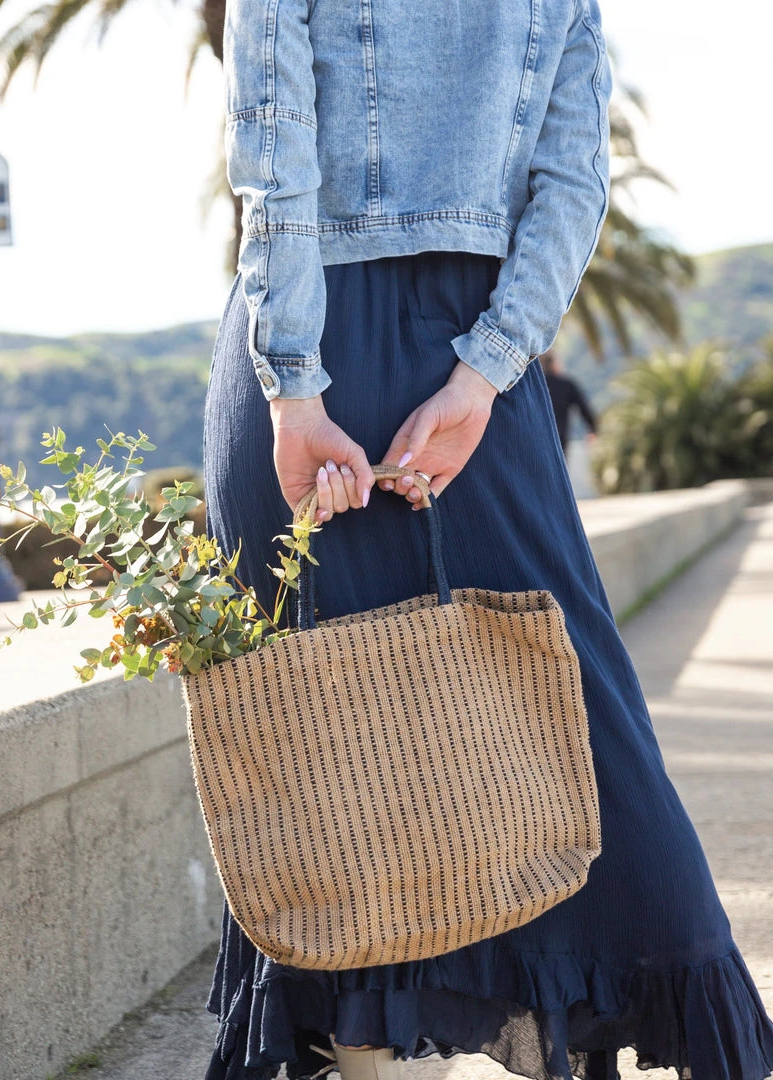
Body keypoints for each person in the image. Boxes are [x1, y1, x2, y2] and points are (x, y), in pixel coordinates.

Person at [201, 3, 773, 1080]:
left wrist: (292, 384)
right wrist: (487, 373)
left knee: (310, 744)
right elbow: (571, 187)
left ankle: (349, 1045)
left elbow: (268, 143)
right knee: (569, 709)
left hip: (311, 351)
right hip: (473, 367)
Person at [540, 349, 598, 454]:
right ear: (554, 364)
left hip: (537, 437)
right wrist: (592, 429)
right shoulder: (567, 385)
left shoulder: (537, 386)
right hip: (559, 439)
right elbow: (584, 408)